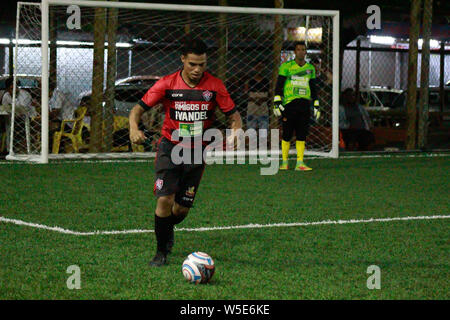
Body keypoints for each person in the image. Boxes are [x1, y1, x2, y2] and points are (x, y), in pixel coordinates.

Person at [129, 38, 242, 267]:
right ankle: (161, 252)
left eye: (202, 64)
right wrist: (133, 128)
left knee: (180, 210)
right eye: (192, 64)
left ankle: (168, 226)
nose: (198, 69)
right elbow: (137, 110)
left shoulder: (215, 86)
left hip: (196, 152)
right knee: (164, 200)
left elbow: (234, 116)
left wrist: (235, 132)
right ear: (182, 60)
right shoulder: (167, 84)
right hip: (170, 148)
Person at [273, 41, 320, 171]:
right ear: (294, 52)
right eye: (298, 49)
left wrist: (316, 104)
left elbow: (313, 87)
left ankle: (300, 163)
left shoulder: (310, 68)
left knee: (302, 134)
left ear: (306, 52)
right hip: (289, 104)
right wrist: (277, 101)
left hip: (305, 104)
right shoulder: (286, 66)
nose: (301, 51)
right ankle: (284, 162)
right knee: (287, 133)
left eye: (303, 49)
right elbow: (279, 85)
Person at [245, 61, 270, 144]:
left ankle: (262, 146)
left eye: (261, 67)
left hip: (263, 108)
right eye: (258, 67)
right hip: (252, 108)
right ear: (254, 68)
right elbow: (245, 94)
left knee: (263, 129)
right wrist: (256, 99)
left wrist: (260, 99)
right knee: (251, 130)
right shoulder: (249, 81)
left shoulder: (267, 81)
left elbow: (269, 95)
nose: (259, 69)